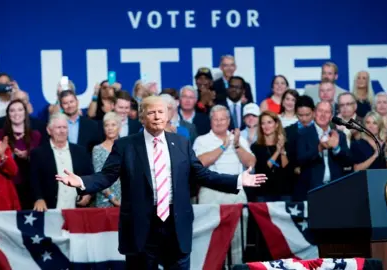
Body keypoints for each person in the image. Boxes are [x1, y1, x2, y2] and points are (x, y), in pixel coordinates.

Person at [56, 95, 267, 269]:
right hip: (142, 227)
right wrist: (82, 182)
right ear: (141, 117)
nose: (157, 116)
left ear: (167, 116)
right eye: (151, 112)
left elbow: (203, 175)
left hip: (176, 224)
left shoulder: (181, 143)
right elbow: (106, 176)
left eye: (161, 112)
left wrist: (238, 180)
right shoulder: (125, 146)